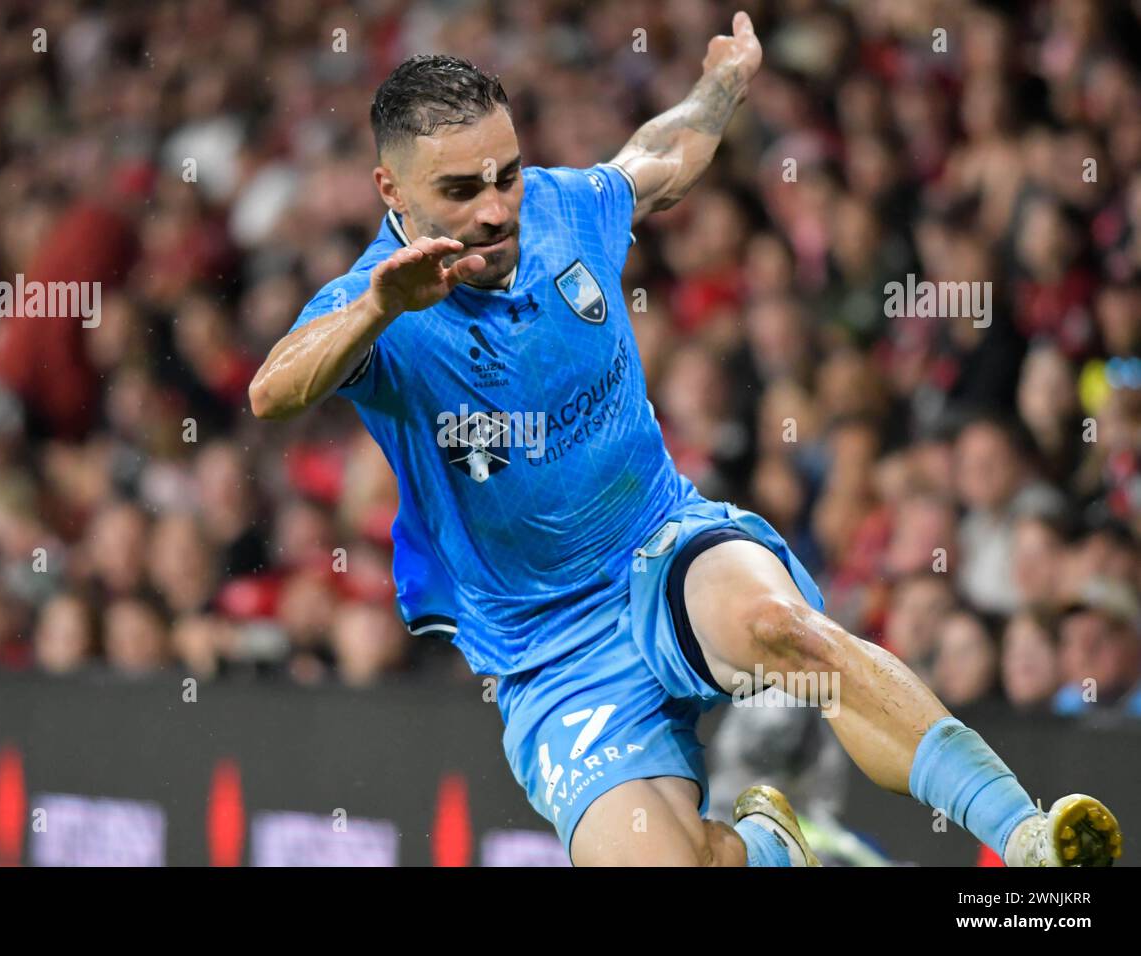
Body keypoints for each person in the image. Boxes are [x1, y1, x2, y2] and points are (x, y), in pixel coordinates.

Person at [248, 14, 1121, 867]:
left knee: (785, 629)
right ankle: (770, 850)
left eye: (506, 175)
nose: (495, 210)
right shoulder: (380, 303)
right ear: (391, 190)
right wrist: (375, 309)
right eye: (461, 191)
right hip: (547, 656)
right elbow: (273, 389)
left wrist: (724, 83)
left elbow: (662, 157)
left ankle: (1026, 835)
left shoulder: (567, 208)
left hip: (663, 548)